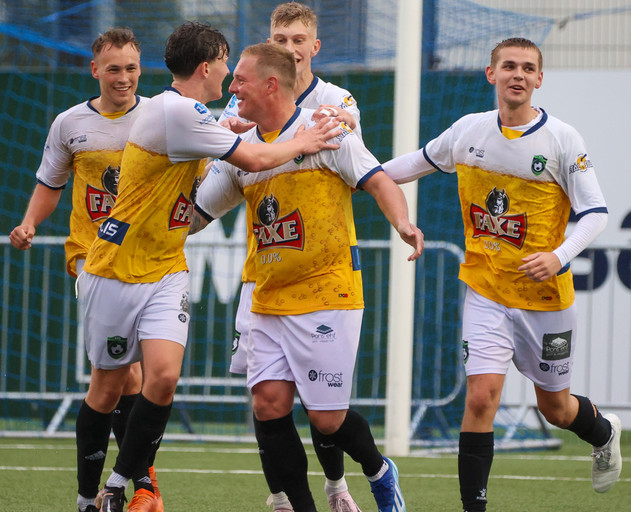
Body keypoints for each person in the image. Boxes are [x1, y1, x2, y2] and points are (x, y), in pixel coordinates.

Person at [78, 21, 340, 512]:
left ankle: (120, 485)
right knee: (108, 387)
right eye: (225, 64)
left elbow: (207, 137)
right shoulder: (177, 110)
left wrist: (226, 129)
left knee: (162, 378)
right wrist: (303, 140)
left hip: (166, 268)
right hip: (115, 265)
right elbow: (256, 159)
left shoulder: (188, 112)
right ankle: (84, 497)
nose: (229, 74)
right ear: (206, 67)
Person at [381, 37, 622, 511]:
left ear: (539, 79)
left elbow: (595, 213)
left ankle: (602, 431)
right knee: (480, 398)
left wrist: (559, 255)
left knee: (555, 409)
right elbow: (410, 165)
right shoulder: (468, 131)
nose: (518, 75)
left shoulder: (562, 139)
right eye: (509, 66)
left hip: (546, 301)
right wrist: (357, 175)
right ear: (491, 74)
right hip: (486, 291)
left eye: (528, 68)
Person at [191, 42, 423, 512]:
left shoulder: (325, 130)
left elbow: (378, 180)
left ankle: (379, 471)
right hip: (267, 299)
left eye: (240, 80)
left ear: (270, 85)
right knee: (268, 405)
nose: (232, 90)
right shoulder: (242, 151)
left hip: (326, 294)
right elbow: (195, 216)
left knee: (327, 419)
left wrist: (403, 223)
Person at [8, 28, 165, 512]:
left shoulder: (160, 116)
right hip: (93, 261)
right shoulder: (70, 124)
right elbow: (50, 183)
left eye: (131, 68)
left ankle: (130, 489)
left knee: (130, 378)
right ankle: (138, 488)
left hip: (148, 260)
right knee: (123, 375)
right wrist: (29, 223)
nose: (123, 77)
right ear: (95, 69)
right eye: (113, 68)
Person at [216, 3, 364, 510]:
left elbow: (355, 152)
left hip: (321, 270)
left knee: (320, 401)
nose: (289, 47)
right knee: (267, 398)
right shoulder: (243, 99)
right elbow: (225, 158)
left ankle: (338, 484)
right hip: (263, 273)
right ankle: (282, 496)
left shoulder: (334, 101)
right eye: (280, 38)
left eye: (299, 39)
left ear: (314, 47)